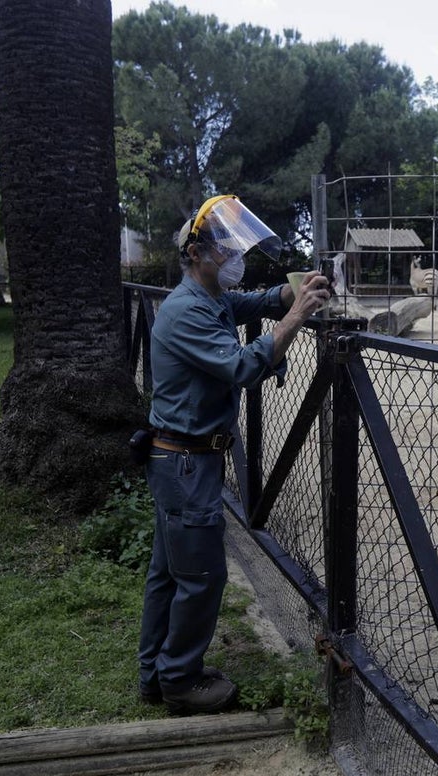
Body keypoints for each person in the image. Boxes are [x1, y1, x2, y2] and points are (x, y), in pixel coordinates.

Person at [137, 195, 330, 715]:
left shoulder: (211, 299)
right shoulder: (185, 312)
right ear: (197, 253)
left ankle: (155, 673)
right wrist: (294, 317)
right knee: (201, 577)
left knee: (168, 573)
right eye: (226, 250)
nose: (235, 259)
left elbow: (259, 300)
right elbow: (245, 366)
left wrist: (294, 288)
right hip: (185, 463)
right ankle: (179, 681)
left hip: (179, 460)